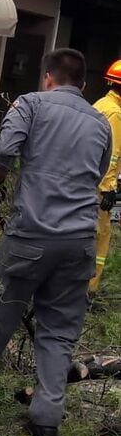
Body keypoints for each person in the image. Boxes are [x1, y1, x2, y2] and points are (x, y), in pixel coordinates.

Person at [0, 49, 113, 436]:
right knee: (58, 332)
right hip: (79, 243)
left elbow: (3, 152)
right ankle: (46, 420)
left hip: (30, 236)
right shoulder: (100, 123)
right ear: (82, 85)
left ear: (48, 77)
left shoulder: (31, 104)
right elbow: (98, 173)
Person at [89, 60, 121, 292]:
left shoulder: (100, 104)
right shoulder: (116, 114)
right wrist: (109, 188)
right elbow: (112, 153)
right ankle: (88, 290)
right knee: (100, 240)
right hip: (100, 188)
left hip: (86, 178)